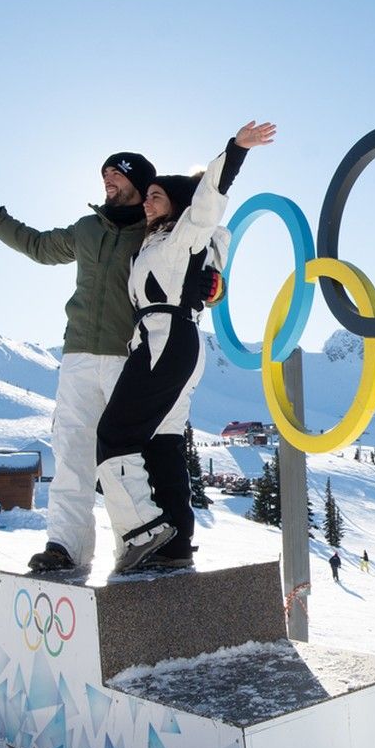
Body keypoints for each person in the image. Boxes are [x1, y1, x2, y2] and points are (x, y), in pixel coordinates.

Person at [0, 150, 220, 575]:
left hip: (127, 356)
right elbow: (37, 246)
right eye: (104, 173)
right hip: (76, 355)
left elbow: (201, 255)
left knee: (125, 453)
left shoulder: (153, 230)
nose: (107, 178)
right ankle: (65, 548)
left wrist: (215, 284)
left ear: (140, 181)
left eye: (117, 172)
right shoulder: (87, 229)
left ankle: (135, 547)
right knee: (72, 452)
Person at [96, 120, 273, 574]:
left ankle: (141, 531)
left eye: (157, 195)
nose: (149, 202)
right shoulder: (151, 242)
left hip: (167, 339)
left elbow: (210, 195)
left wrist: (236, 150)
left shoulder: (186, 235)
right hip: (162, 341)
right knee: (162, 443)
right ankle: (175, 543)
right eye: (148, 195)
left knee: (115, 434)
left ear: (178, 204)